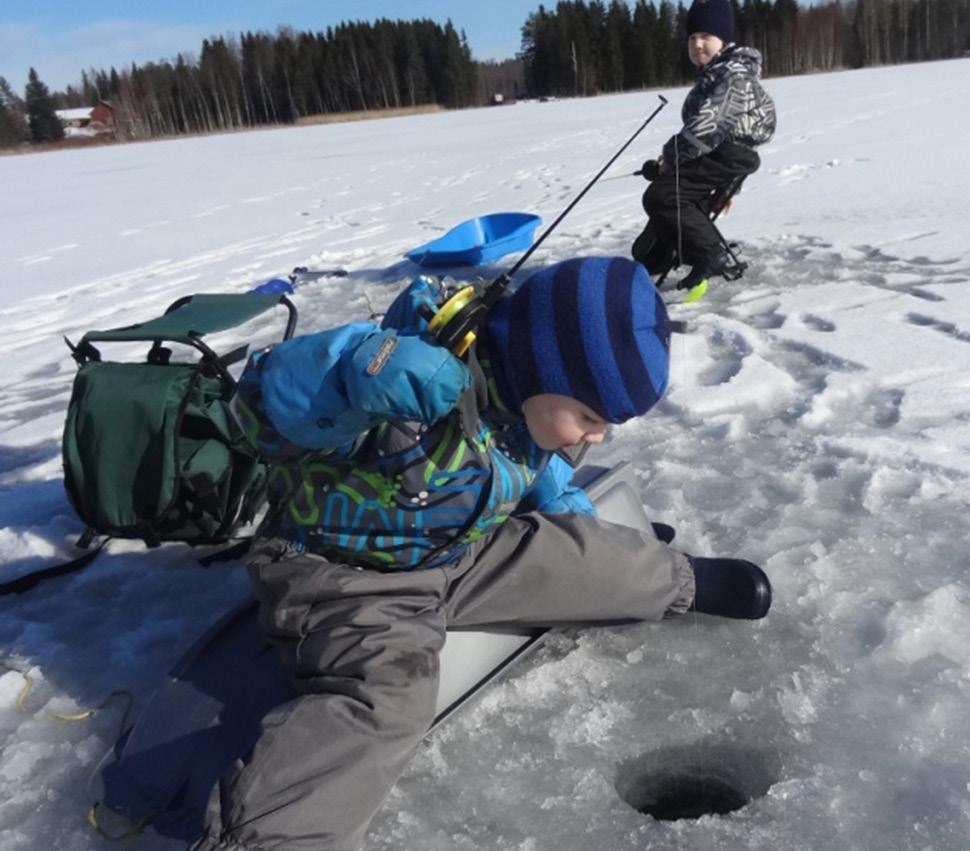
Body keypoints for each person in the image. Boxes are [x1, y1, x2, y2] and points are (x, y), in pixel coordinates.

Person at [191, 256, 771, 851]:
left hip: (456, 553)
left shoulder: (525, 401)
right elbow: (255, 415)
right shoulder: (402, 377)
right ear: (542, 367)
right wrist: (351, 374)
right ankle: (263, 840)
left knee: (577, 555)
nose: (595, 435)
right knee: (385, 701)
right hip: (345, 575)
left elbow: (537, 468)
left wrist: (575, 513)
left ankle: (681, 582)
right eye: (591, 417)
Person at [634, 0, 777, 296]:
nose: (698, 45)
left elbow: (704, 130)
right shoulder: (719, 72)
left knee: (663, 196)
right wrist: (664, 165)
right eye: (692, 38)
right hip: (721, 152)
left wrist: (671, 158)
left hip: (728, 153)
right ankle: (676, 252)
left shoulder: (731, 76)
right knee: (665, 190)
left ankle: (709, 253)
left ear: (723, 40)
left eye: (705, 37)